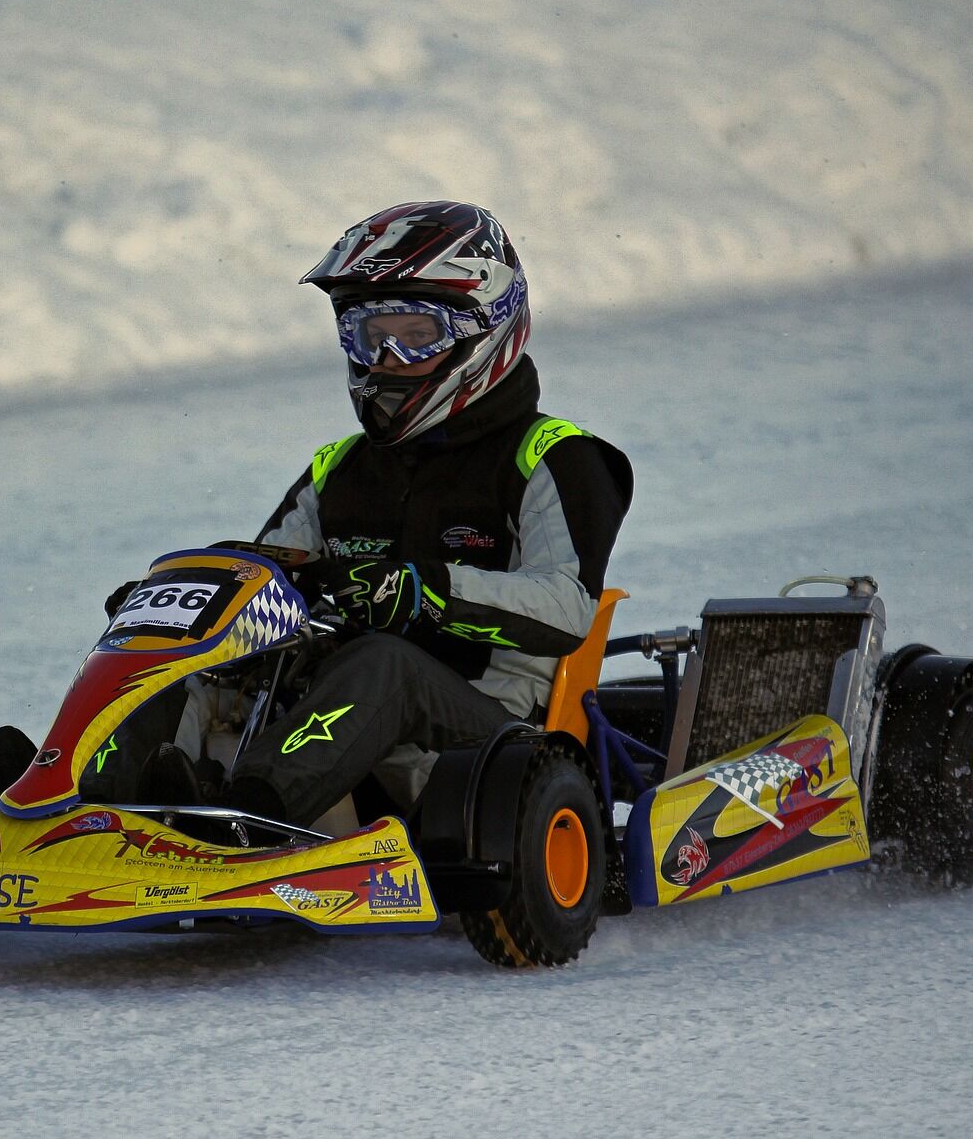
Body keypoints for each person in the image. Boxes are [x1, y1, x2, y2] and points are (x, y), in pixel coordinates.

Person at [94, 201, 632, 829]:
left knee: (385, 662)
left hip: (484, 739)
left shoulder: (555, 457)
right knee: (190, 664)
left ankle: (247, 823)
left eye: (415, 338)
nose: (387, 363)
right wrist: (184, 609)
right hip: (340, 723)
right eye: (371, 338)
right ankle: (79, 803)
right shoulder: (342, 468)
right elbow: (266, 580)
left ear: (486, 330)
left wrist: (423, 592)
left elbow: (567, 607)